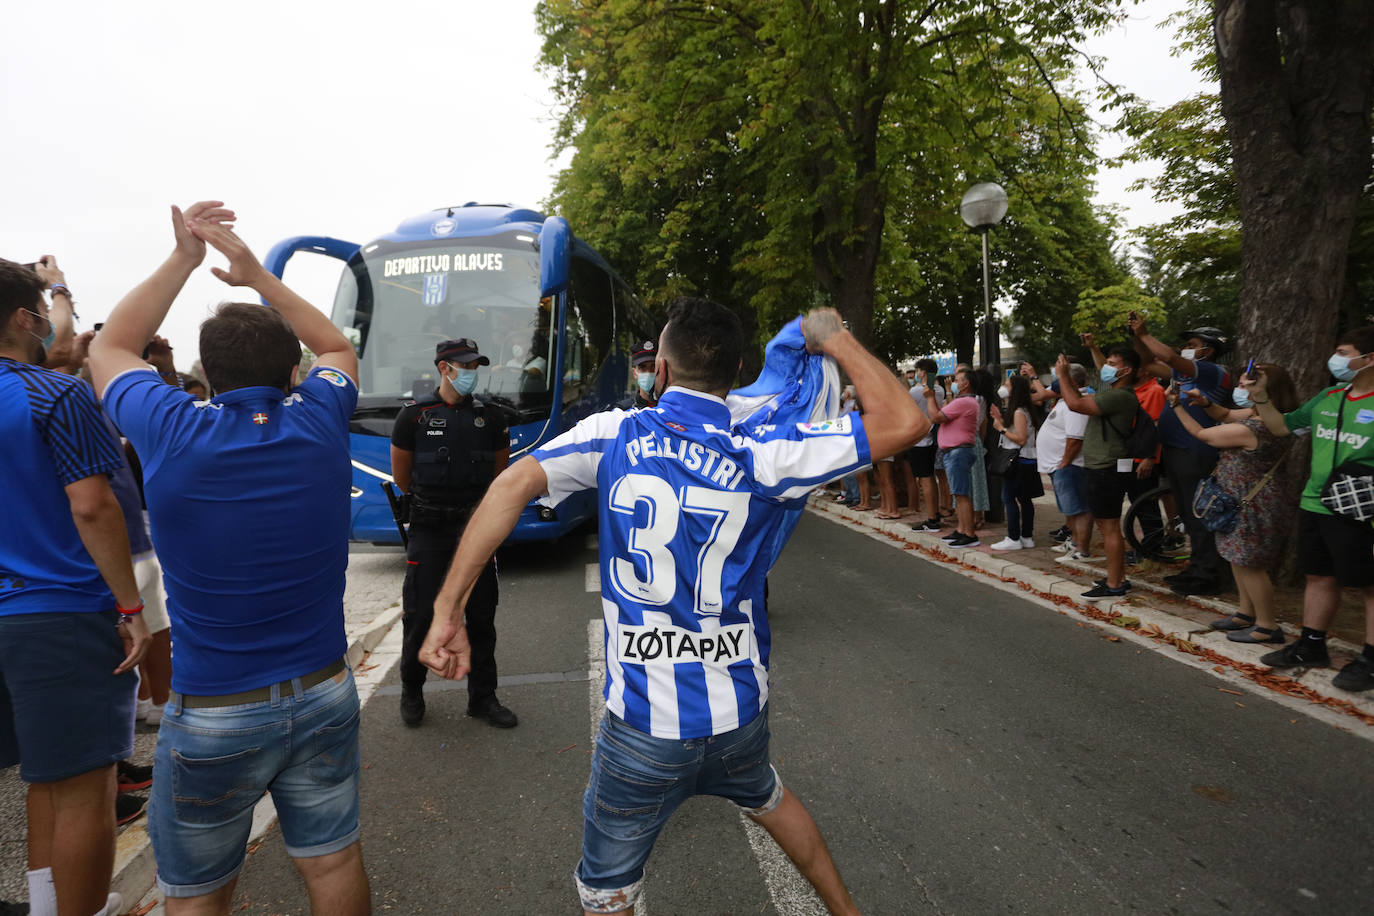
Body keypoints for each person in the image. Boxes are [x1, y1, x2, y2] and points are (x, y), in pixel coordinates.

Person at [418, 300, 923, 915]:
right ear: (738, 370)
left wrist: (449, 610)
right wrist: (835, 339)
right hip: (738, 712)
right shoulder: (766, 452)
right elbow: (905, 420)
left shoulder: (614, 433)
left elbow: (509, 486)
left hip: (643, 729)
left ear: (659, 367)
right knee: (768, 798)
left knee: (606, 891)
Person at [88, 203, 370, 912]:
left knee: (198, 895)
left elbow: (108, 349)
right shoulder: (321, 418)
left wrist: (185, 258)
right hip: (323, 689)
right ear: (291, 370)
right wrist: (256, 276)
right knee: (333, 864)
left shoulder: (172, 429)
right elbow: (336, 345)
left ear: (206, 373)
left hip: (216, 709)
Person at [0, 258, 151, 916]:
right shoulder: (56, 395)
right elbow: (93, 506)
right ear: (20, 319)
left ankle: (46, 906)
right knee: (84, 787)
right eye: (38, 313)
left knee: (42, 774)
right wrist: (131, 606)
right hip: (57, 613)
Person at [390, 337, 513, 728]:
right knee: (421, 614)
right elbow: (402, 478)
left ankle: (483, 698)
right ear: (444, 368)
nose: (472, 374)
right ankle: (412, 690)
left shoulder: (492, 418)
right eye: (466, 366)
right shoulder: (413, 417)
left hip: (475, 531)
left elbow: (499, 476)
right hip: (429, 530)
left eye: (476, 367)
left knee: (480, 616)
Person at [1250, 327, 1374, 692]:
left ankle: (1370, 659)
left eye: (1343, 351)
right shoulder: (1329, 396)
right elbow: (1282, 427)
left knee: (1370, 585)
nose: (1335, 358)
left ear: (1369, 358)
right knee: (1319, 576)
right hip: (1315, 502)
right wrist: (1260, 398)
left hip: (1360, 510)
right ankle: (1311, 645)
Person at [1168, 367, 1299, 642]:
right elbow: (1226, 414)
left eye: (1245, 385)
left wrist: (1177, 406)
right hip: (1242, 498)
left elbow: (1203, 434)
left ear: (1265, 389)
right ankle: (1245, 613)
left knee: (1250, 564)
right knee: (1237, 558)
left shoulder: (1255, 427)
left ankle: (1266, 626)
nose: (1239, 389)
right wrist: (1205, 403)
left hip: (1252, 503)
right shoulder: (1271, 416)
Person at [1129, 316, 1234, 595]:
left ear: (1208, 350)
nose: (1186, 348)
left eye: (1192, 344)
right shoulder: (1182, 375)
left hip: (1196, 451)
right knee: (1187, 515)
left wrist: (1146, 333)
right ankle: (1197, 567)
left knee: (1198, 514)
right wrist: (1138, 339)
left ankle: (1208, 576)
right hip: (1176, 450)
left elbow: (1170, 358)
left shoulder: (1213, 371)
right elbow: (1148, 363)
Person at [1056, 349, 1142, 599]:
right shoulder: (1116, 394)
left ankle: (1114, 585)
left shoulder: (1121, 396)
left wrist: (1062, 375)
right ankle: (1117, 577)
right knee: (1106, 526)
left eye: (1113, 364)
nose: (1107, 367)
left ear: (1126, 371)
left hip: (1106, 468)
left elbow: (1075, 404)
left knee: (1110, 527)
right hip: (1102, 467)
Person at [1038, 363, 1093, 559]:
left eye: (1060, 378)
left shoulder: (1076, 403)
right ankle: (1073, 543)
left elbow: (1075, 438)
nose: (1055, 383)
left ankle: (1081, 549)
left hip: (1070, 466)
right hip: (1061, 466)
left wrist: (1065, 462)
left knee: (1079, 509)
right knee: (1071, 510)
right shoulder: (1065, 401)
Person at [925, 365, 981, 547]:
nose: (954, 383)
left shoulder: (964, 402)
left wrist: (930, 397)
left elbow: (935, 416)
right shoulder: (963, 401)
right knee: (959, 493)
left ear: (966, 384)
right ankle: (961, 529)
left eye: (957, 380)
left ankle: (969, 534)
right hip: (955, 451)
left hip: (958, 451)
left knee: (962, 494)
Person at [988, 375, 1044, 550]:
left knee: (1009, 498)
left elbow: (1020, 439)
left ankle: (1013, 538)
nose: (1004, 387)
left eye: (1007, 384)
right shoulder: (1024, 409)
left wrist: (1001, 429)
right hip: (1027, 460)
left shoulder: (1020, 411)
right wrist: (1001, 419)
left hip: (1018, 461)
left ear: (1014, 389)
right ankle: (1026, 536)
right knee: (1025, 499)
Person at [907, 359, 946, 532]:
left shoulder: (915, 391)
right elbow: (931, 389)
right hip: (932, 437)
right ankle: (934, 513)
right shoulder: (940, 390)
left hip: (919, 439)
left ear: (922, 372)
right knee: (930, 477)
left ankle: (931, 519)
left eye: (917, 371)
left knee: (925, 479)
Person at [617, 339, 660, 410]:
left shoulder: (673, 409)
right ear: (634, 373)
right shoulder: (622, 412)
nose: (648, 372)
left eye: (654, 366)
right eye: (643, 367)